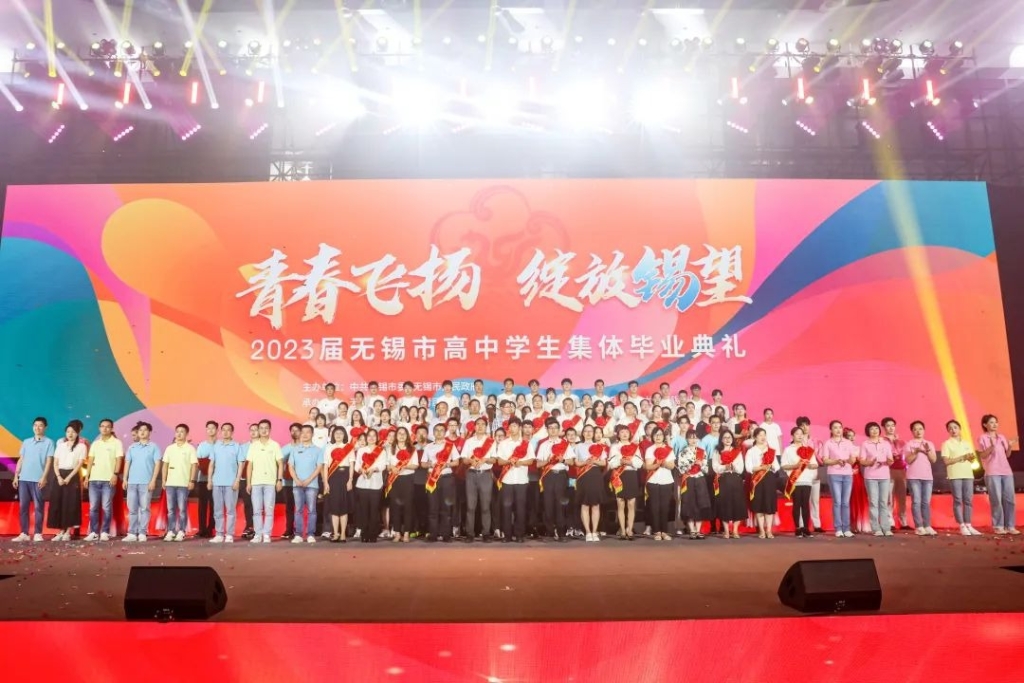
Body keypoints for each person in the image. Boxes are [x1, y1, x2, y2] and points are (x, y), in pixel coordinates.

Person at [12, 417, 54, 542]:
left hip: (38, 479)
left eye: (40, 425)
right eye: (35, 425)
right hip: (24, 478)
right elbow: (21, 459)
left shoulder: (49, 442)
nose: (37, 427)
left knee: (38, 507)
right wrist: (16, 475)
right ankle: (24, 533)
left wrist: (44, 477)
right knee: (23, 507)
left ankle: (37, 533)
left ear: (45, 427)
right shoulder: (26, 442)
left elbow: (49, 461)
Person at [977, 414, 1020, 535]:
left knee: (1010, 499)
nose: (995, 424)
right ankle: (998, 526)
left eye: (996, 422)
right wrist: (991, 446)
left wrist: (1010, 446)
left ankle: (1010, 525)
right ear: (985, 425)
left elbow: (1007, 455)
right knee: (996, 500)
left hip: (1006, 471)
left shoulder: (1001, 437)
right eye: (991, 422)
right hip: (992, 472)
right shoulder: (982, 438)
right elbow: (982, 455)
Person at [85, 418, 124, 542]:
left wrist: (115, 474)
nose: (105, 428)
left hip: (108, 480)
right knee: (93, 507)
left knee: (106, 506)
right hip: (94, 479)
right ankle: (94, 532)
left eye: (107, 426)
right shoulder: (96, 443)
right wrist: (87, 476)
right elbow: (90, 460)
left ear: (111, 428)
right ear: (99, 428)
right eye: (102, 426)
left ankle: (105, 532)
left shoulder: (117, 442)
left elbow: (119, 459)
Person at [48, 420, 87, 541]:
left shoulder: (82, 446)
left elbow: (79, 464)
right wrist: (59, 477)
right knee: (58, 502)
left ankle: (68, 531)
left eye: (73, 432)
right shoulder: (61, 445)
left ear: (78, 433)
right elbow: (55, 462)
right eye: (68, 431)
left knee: (70, 504)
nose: (70, 434)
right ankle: (60, 531)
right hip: (59, 475)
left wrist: (69, 477)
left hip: (72, 476)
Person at [246, 419, 284, 544]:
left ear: (270, 430)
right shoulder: (253, 445)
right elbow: (250, 465)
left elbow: (280, 463)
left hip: (270, 482)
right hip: (256, 482)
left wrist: (279, 480)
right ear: (258, 430)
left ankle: (267, 534)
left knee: (269, 510)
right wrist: (248, 483)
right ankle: (258, 534)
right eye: (261, 428)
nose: (263, 430)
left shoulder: (275, 445)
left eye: (266, 428)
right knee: (256, 510)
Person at [122, 422, 161, 542]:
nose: (142, 432)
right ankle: (132, 533)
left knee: (144, 508)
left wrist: (153, 480)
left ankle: (143, 532)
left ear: (149, 432)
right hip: (132, 482)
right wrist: (125, 479)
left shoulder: (154, 447)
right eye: (140, 430)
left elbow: (157, 464)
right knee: (132, 509)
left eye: (145, 430)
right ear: (138, 433)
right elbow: (127, 463)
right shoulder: (132, 447)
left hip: (146, 482)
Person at [496, 418, 533, 543]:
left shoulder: (526, 443)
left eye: (515, 426)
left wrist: (520, 462)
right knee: (506, 508)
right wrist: (509, 461)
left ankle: (519, 535)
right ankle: (507, 535)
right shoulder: (503, 443)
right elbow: (499, 461)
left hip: (522, 480)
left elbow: (531, 460)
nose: (513, 428)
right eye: (511, 426)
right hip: (507, 480)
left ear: (520, 428)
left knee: (520, 509)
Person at [942, 419, 981, 536]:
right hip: (955, 475)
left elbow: (972, 460)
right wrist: (962, 457)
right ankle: (962, 525)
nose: (953, 430)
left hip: (968, 474)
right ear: (948, 431)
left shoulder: (966, 443)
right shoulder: (946, 444)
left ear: (959, 429)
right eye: (950, 428)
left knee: (968, 500)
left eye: (955, 427)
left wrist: (971, 458)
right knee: (958, 500)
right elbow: (946, 461)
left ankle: (968, 524)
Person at [461, 417, 497, 543]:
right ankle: (469, 533)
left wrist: (485, 459)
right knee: (470, 506)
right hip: (471, 474)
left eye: (483, 424)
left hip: (485, 475)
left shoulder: (491, 442)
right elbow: (464, 459)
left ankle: (486, 533)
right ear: (474, 427)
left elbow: (494, 459)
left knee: (485, 506)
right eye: (478, 424)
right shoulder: (469, 441)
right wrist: (471, 461)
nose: (480, 426)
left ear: (486, 427)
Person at [208, 423, 244, 543]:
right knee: (217, 510)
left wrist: (237, 480)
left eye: (228, 430)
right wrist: (210, 480)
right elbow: (211, 464)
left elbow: (241, 465)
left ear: (232, 432)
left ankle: (229, 534)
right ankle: (219, 534)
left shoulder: (236, 446)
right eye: (223, 430)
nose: (225, 432)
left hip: (231, 483)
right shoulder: (216, 446)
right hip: (217, 482)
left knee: (230, 510)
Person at [423, 423, 459, 542]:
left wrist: (447, 464)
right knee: (432, 507)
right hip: (432, 479)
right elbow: (423, 463)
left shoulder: (450, 446)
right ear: (433, 433)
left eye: (441, 430)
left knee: (446, 508)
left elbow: (456, 462)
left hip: (446, 478)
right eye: (437, 430)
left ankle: (446, 535)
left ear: (445, 432)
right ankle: (433, 534)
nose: (439, 432)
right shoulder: (428, 447)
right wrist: (429, 464)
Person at [162, 424, 198, 542]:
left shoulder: (190, 448)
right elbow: (165, 465)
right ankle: (171, 531)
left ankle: (181, 531)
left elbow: (194, 466)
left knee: (182, 509)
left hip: (183, 483)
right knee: (171, 509)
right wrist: (164, 480)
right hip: (170, 483)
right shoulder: (169, 448)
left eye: (182, 431)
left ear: (186, 434)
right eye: (177, 431)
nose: (179, 433)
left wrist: (192, 480)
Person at [536, 419, 571, 542]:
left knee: (560, 504)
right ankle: (549, 533)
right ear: (547, 429)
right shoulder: (543, 445)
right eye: (550, 427)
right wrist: (547, 461)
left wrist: (562, 460)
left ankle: (561, 533)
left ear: (559, 429)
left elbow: (572, 461)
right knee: (548, 504)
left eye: (555, 427)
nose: (553, 430)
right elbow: (538, 464)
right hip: (548, 476)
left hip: (561, 475)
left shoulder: (565, 444)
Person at [821, 421, 857, 538]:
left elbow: (853, 459)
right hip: (834, 474)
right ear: (831, 430)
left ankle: (846, 528)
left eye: (840, 427)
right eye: (835, 428)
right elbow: (825, 460)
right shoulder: (828, 443)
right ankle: (838, 528)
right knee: (837, 502)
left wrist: (850, 460)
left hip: (847, 474)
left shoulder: (848, 442)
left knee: (845, 502)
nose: (838, 430)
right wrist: (836, 461)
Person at [289, 425, 323, 544]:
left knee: (311, 510)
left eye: (308, 432)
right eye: (302, 432)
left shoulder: (318, 450)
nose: (304, 434)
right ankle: (298, 534)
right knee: (298, 510)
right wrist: (296, 479)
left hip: (312, 485)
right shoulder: (295, 449)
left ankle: (310, 534)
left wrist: (308, 480)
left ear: (312, 434)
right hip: (297, 485)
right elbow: (291, 466)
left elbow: (319, 467)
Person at [781, 427, 818, 538]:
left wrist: (809, 465)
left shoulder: (808, 449)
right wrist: (796, 466)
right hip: (795, 480)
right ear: (792, 436)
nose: (800, 436)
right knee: (797, 504)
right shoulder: (788, 450)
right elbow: (784, 465)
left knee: (805, 504)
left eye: (801, 434)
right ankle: (797, 528)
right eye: (797, 434)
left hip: (807, 480)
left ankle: (806, 528)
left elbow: (815, 464)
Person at [574, 424, 608, 542]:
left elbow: (603, 463)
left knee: (595, 504)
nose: (588, 433)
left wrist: (594, 461)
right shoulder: (578, 446)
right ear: (583, 433)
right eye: (586, 431)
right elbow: (576, 463)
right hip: (583, 476)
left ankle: (594, 531)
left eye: (590, 431)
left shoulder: (599, 446)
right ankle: (588, 532)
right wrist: (585, 462)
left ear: (593, 434)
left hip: (595, 475)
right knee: (585, 504)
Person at [860, 422, 894, 537]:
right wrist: (870, 462)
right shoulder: (865, 444)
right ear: (867, 431)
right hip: (870, 477)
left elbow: (890, 460)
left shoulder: (885, 444)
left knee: (884, 502)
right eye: (871, 429)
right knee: (874, 503)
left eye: (876, 428)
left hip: (884, 476)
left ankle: (886, 527)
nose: (874, 431)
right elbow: (862, 461)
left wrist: (889, 461)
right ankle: (876, 528)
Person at [607, 426, 642, 540]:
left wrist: (630, 462)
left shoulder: (635, 447)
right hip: (619, 476)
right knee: (620, 503)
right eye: (622, 432)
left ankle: (630, 529)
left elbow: (639, 462)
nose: (624, 434)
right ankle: (622, 530)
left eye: (626, 432)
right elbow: (611, 462)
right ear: (618, 434)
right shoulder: (614, 447)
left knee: (631, 504)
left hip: (631, 475)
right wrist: (620, 461)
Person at [904, 420, 938, 536]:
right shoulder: (909, 444)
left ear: (924, 430)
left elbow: (933, 460)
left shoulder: (929, 444)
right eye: (915, 429)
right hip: (913, 477)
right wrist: (916, 451)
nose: (918, 431)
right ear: (912, 431)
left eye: (920, 429)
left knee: (926, 502)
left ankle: (927, 525)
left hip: (927, 477)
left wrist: (927, 450)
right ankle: (919, 526)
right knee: (916, 501)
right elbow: (908, 460)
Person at [385, 427, 419, 543]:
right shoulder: (390, 448)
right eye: (399, 433)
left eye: (404, 433)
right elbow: (387, 465)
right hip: (394, 479)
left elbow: (415, 465)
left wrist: (404, 466)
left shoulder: (412, 449)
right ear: (396, 436)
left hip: (408, 479)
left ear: (407, 436)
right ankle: (397, 533)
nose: (401, 435)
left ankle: (406, 533)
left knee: (408, 506)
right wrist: (392, 467)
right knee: (395, 507)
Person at [711, 428, 745, 539]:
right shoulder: (717, 451)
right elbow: (715, 466)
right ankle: (726, 531)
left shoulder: (737, 451)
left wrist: (733, 465)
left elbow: (741, 468)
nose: (727, 439)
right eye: (725, 437)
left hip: (735, 479)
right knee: (724, 505)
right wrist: (724, 467)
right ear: (721, 439)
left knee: (737, 504)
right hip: (723, 479)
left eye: (729, 437)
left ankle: (735, 530)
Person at [677, 430, 711, 540]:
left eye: (695, 437)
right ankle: (692, 530)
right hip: (689, 479)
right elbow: (681, 469)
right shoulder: (683, 452)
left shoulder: (702, 452)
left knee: (700, 503)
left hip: (700, 479)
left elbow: (706, 469)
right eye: (690, 438)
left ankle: (698, 529)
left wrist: (701, 465)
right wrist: (691, 465)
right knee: (689, 504)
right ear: (687, 439)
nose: (693, 440)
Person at [323, 425, 355, 543]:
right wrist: (326, 482)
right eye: (336, 433)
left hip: (345, 476)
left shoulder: (349, 447)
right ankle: (335, 533)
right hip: (333, 477)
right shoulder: (328, 448)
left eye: (341, 433)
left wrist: (350, 480)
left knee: (344, 507)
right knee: (334, 507)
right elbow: (326, 466)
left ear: (344, 435)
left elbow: (351, 465)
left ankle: (343, 534)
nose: (338, 435)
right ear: (333, 435)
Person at [745, 428, 779, 539]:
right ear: (755, 437)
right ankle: (762, 530)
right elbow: (748, 467)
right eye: (760, 435)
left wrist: (771, 466)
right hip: (757, 480)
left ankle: (769, 530)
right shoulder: (751, 451)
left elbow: (777, 466)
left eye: (764, 434)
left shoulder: (770, 451)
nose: (763, 437)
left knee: (769, 505)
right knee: (759, 505)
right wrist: (761, 467)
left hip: (769, 479)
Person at [644, 427, 676, 541]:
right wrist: (657, 464)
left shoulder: (669, 449)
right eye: (656, 435)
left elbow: (672, 466)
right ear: (652, 437)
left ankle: (665, 531)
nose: (658, 437)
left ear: (663, 437)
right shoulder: (649, 449)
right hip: (653, 480)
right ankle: (657, 531)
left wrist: (664, 463)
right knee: (654, 507)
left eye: (660, 435)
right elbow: (648, 466)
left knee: (665, 507)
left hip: (666, 480)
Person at [355, 429, 386, 543]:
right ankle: (364, 533)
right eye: (369, 436)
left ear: (377, 438)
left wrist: (373, 469)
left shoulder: (381, 451)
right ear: (366, 438)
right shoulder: (361, 450)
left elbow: (383, 465)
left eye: (374, 436)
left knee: (374, 510)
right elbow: (357, 465)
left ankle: (373, 534)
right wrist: (361, 470)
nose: (371, 438)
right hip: (362, 483)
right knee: (364, 510)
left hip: (376, 483)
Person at [881, 417, 908, 530]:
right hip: (888, 470)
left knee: (902, 498)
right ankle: (890, 522)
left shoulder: (902, 442)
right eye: (888, 425)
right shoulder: (882, 441)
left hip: (901, 470)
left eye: (893, 425)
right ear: (884, 427)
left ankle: (903, 522)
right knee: (889, 497)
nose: (891, 428)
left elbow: (906, 455)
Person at [194, 421, 218, 538]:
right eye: (208, 428)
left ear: (217, 430)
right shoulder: (202, 445)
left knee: (214, 505)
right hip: (203, 479)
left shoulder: (220, 445)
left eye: (213, 428)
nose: (210, 430)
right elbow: (197, 461)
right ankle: (202, 529)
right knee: (202, 505)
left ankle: (211, 529)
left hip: (217, 480)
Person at [279, 423, 302, 540]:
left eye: (297, 430)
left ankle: (300, 530)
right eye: (292, 430)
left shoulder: (304, 447)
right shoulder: (285, 448)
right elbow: (279, 464)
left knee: (300, 507)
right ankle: (289, 529)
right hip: (287, 482)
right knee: (289, 507)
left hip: (302, 482)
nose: (294, 432)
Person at [238, 424, 259, 539]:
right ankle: (249, 526)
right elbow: (241, 463)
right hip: (245, 479)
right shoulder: (244, 447)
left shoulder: (262, 445)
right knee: (247, 504)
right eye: (251, 430)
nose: (253, 432)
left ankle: (258, 527)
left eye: (256, 430)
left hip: (259, 479)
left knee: (258, 504)